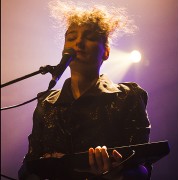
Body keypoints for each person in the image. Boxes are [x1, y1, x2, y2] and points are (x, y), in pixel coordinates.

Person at [18, 1, 152, 179]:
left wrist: (116, 175)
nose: (78, 42)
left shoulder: (129, 96)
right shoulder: (46, 103)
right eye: (71, 37)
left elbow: (143, 169)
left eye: (89, 37)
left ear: (106, 52)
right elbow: (28, 168)